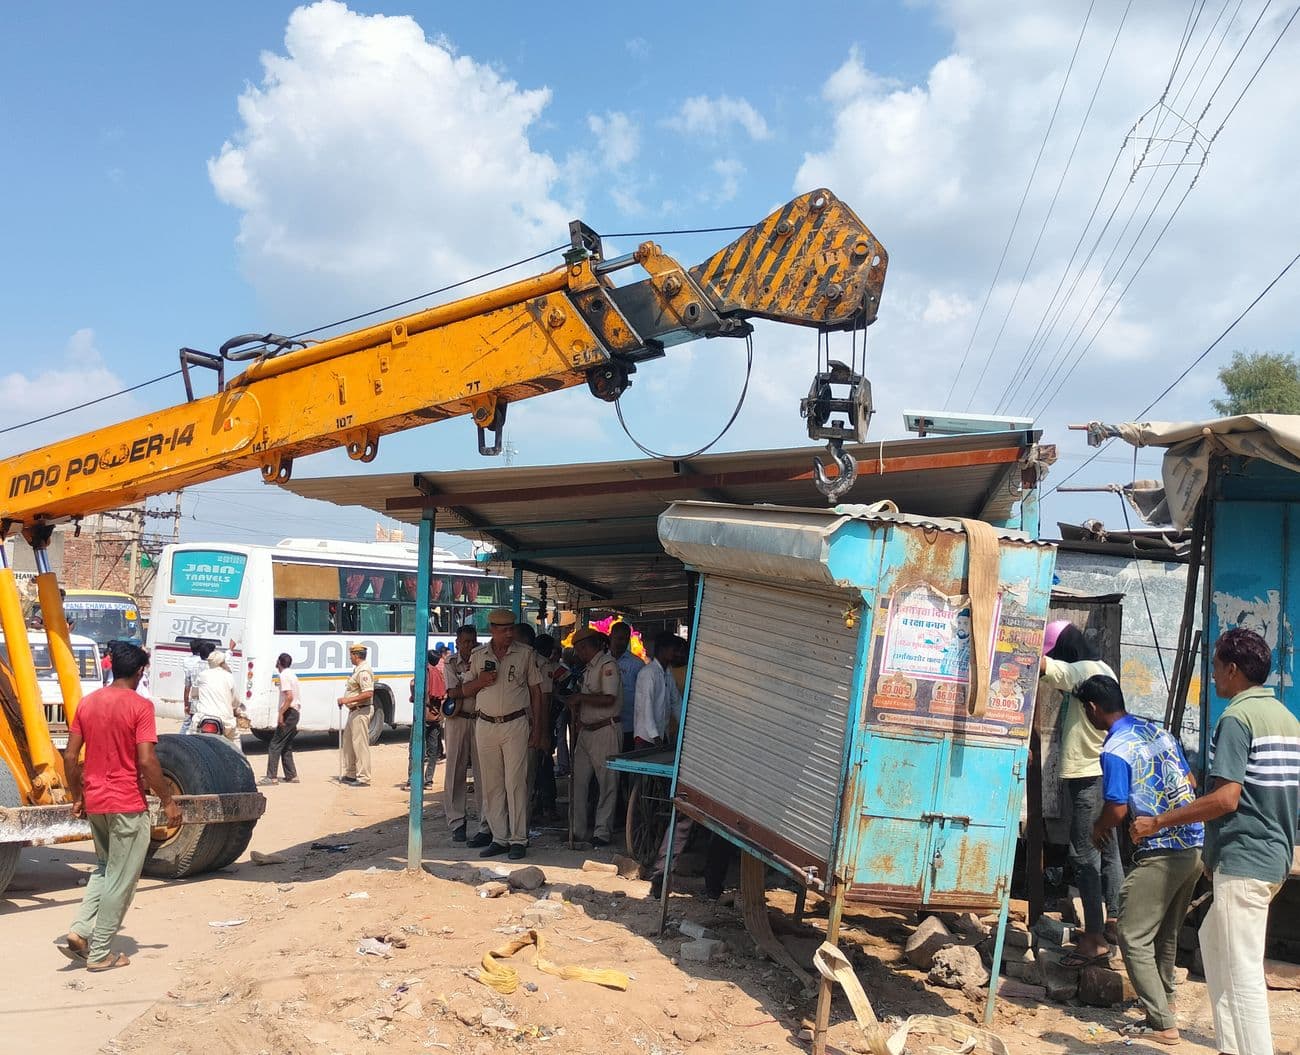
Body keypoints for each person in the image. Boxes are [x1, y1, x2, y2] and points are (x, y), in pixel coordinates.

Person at [1133, 628, 1300, 1055]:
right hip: (1272, 857)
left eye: (1214, 668)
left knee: (1241, 971)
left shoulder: (1236, 718)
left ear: (1232, 669)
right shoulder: (1286, 719)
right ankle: (1231, 1046)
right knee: (1215, 943)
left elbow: (1227, 798)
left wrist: (1160, 822)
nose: (1211, 677)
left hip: (1246, 859)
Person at [1078, 674, 1202, 1046]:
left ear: (1092, 709)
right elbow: (1191, 781)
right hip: (1194, 845)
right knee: (1164, 933)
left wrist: (1097, 831)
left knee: (1132, 933)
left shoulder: (1115, 748)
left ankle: (1162, 1023)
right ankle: (1166, 1006)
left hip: (1162, 850)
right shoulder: (1158, 732)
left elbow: (1116, 808)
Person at [59, 643, 182, 971]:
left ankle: (80, 931)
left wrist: (77, 796)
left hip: (96, 802)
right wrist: (168, 801)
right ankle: (100, 953)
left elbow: (70, 756)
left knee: (103, 868)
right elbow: (146, 759)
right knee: (122, 878)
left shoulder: (88, 703)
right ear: (140, 671)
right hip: (127, 802)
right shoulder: (140, 707)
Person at [1039, 620, 1122, 968]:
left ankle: (1094, 939)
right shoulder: (1103, 669)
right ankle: (1115, 922)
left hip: (1087, 777)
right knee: (1108, 852)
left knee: (1084, 857)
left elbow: (1044, 667)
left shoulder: (1082, 671)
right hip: (1104, 772)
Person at [454, 609, 542, 859]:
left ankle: (518, 839)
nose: (509, 634)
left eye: (511, 629)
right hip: (485, 725)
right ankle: (499, 837)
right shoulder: (479, 655)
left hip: (515, 724)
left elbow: (536, 692)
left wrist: (538, 728)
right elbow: (465, 689)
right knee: (491, 784)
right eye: (503, 630)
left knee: (515, 783)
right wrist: (481, 681)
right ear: (492, 629)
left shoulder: (525, 654)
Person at [569, 626, 622, 847]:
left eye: (579, 649)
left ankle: (602, 831)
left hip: (605, 729)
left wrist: (581, 698)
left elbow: (609, 698)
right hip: (587, 730)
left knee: (607, 783)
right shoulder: (587, 669)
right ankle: (577, 830)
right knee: (579, 782)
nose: (578, 654)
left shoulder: (607, 665)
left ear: (585, 647)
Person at [442, 625, 490, 844]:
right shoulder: (450, 663)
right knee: (454, 771)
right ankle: (457, 822)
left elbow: (483, 687)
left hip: (480, 718)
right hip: (458, 719)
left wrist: (468, 687)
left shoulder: (483, 659)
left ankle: (486, 823)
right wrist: (474, 685)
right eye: (466, 642)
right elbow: (453, 691)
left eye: (473, 641)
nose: (470, 646)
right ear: (458, 642)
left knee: (485, 772)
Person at [402, 648, 446, 792]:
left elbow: (417, 689)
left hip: (422, 716)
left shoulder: (422, 672)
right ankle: (428, 780)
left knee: (415, 749)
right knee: (433, 751)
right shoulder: (437, 673)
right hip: (435, 717)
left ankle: (412, 780)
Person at [529, 633, 561, 823]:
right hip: (541, 723)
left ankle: (539, 806)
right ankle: (546, 806)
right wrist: (546, 731)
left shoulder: (529, 662)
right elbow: (547, 699)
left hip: (528, 724)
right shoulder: (544, 664)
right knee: (544, 766)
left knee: (537, 768)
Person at [190, 650, 245, 756]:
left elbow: (194, 694)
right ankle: (241, 766)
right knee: (236, 741)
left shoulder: (202, 675)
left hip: (202, 719)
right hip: (225, 722)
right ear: (222, 663)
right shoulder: (228, 676)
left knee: (191, 743)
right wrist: (235, 709)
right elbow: (235, 701)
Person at [337, 641, 375, 786]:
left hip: (361, 711)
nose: (350, 658)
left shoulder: (364, 671)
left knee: (360, 745)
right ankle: (351, 773)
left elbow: (368, 693)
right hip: (353, 711)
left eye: (351, 655)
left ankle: (364, 777)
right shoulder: (357, 669)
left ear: (356, 655)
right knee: (348, 743)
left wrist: (347, 699)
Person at [261, 653, 301, 785]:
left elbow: (289, 696)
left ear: (279, 663)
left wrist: (281, 713)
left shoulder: (284, 675)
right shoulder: (292, 674)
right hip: (295, 712)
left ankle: (271, 777)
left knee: (275, 744)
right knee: (286, 745)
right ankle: (291, 775)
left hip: (289, 712)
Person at [634, 631, 678, 748]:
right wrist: (655, 737)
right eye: (673, 649)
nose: (676, 653)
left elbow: (676, 702)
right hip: (646, 737)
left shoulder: (667, 673)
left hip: (661, 734)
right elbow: (646, 707)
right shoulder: (649, 673)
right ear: (663, 649)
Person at [609, 623, 643, 752]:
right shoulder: (602, 660)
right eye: (619, 638)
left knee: (624, 766)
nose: (622, 642)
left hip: (629, 726)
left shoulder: (636, 664)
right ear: (611, 636)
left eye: (625, 639)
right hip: (606, 727)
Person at [180, 640, 213, 735]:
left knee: (188, 724)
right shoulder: (210, 666)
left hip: (193, 700)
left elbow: (187, 687)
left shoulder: (189, 664)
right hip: (206, 702)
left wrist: (186, 704)